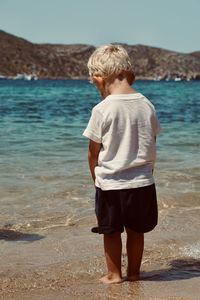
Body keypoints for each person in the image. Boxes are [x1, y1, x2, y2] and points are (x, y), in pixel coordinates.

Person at [83, 45, 161, 284]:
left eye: (95, 84)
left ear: (98, 78)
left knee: (111, 231)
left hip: (111, 184)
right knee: (137, 231)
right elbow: (152, 141)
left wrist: (95, 177)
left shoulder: (102, 109)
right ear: (129, 74)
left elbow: (93, 152)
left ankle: (114, 275)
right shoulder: (147, 104)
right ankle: (135, 273)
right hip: (142, 182)